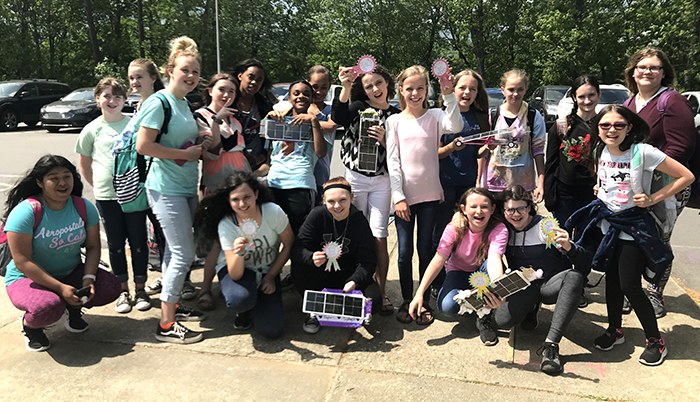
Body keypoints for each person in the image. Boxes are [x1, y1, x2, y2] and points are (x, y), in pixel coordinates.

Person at [568, 105, 694, 366]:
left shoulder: (644, 152)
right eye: (605, 125)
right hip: (608, 225)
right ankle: (615, 330)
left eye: (618, 125)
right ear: (598, 128)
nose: (611, 130)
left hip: (634, 227)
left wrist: (652, 199)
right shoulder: (601, 150)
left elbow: (686, 176)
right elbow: (609, 182)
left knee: (630, 286)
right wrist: (600, 188)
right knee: (611, 282)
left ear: (629, 128)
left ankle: (655, 341)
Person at [135, 36, 212, 344]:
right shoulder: (159, 102)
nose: (191, 76)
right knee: (184, 253)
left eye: (195, 71)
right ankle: (166, 324)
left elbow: (177, 141)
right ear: (170, 70)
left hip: (185, 187)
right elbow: (144, 146)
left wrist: (199, 143)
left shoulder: (183, 103)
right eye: (185, 70)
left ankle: (174, 304)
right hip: (165, 188)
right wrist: (186, 154)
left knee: (173, 252)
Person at [3, 155, 121, 351]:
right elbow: (22, 261)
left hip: (69, 271)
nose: (62, 183)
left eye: (67, 176)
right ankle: (30, 326)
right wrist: (60, 287)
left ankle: (73, 309)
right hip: (26, 277)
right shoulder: (25, 212)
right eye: (54, 178)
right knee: (47, 307)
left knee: (110, 287)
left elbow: (93, 247)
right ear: (40, 182)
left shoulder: (83, 207)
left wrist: (88, 279)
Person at [623, 47, 697, 318]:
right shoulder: (631, 103)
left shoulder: (672, 101)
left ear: (663, 73)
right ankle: (632, 290)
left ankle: (654, 292)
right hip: (636, 183)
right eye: (641, 67)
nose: (647, 71)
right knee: (634, 236)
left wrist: (650, 175)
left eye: (654, 67)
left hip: (667, 185)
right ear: (633, 71)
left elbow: (681, 148)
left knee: (659, 238)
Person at [386, 65, 463, 325]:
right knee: (404, 251)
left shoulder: (435, 115)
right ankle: (407, 299)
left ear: (427, 90)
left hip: (430, 195)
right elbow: (393, 162)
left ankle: (423, 299)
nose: (415, 93)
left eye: (420, 88)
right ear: (401, 90)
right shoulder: (393, 121)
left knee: (426, 248)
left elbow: (456, 123)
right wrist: (398, 197)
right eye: (410, 88)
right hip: (404, 199)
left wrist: (449, 92)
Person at [491, 185, 589, 375]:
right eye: (510, 209)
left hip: (550, 285)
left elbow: (584, 263)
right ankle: (531, 308)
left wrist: (570, 246)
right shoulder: (503, 230)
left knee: (574, 277)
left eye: (522, 208)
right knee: (502, 321)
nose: (516, 214)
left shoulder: (545, 226)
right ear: (503, 211)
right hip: (525, 285)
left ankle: (551, 345)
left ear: (530, 207)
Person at [75, 77, 152, 314]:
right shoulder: (91, 130)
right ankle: (123, 291)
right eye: (107, 95)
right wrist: (100, 186)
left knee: (138, 243)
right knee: (116, 245)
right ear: (97, 98)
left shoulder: (135, 125)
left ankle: (140, 289)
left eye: (118, 96)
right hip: (107, 198)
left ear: (125, 100)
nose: (112, 100)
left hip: (134, 196)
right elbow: (85, 165)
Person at [332, 64, 399, 315]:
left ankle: (381, 292)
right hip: (356, 178)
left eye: (379, 83)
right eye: (369, 86)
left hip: (382, 180)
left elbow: (400, 153)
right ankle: (352, 284)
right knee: (353, 232)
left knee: (380, 237)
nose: (375, 89)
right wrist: (346, 86)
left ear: (387, 84)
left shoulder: (395, 115)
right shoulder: (358, 108)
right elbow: (337, 118)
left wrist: (386, 141)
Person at [193, 172, 293, 338]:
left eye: (247, 197)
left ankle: (257, 301)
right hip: (239, 272)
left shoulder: (273, 212)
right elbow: (235, 274)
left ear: (256, 194)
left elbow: (289, 245)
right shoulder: (226, 225)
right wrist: (239, 253)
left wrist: (271, 276)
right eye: (235, 199)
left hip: (267, 270)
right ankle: (244, 310)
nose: (242, 204)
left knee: (271, 331)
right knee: (239, 299)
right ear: (228, 200)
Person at [407, 188, 507, 343]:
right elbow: (438, 260)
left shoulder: (499, 229)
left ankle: (484, 315)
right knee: (447, 306)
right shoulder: (454, 228)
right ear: (463, 209)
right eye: (473, 206)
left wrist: (500, 291)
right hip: (459, 271)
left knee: (490, 267)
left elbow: (494, 259)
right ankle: (475, 300)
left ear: (492, 209)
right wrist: (419, 293)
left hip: (484, 272)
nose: (479, 211)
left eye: (484, 207)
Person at [290, 177, 381, 334]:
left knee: (375, 302)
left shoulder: (360, 222)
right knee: (299, 265)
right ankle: (314, 310)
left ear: (351, 198)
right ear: (324, 201)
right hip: (319, 273)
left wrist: (355, 280)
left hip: (347, 276)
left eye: (343, 200)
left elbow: (368, 261)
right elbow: (297, 248)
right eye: (331, 201)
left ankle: (329, 304)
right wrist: (310, 257)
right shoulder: (316, 215)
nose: (337, 206)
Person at [193, 73, 252, 311]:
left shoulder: (235, 120)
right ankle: (206, 288)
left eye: (232, 91)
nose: (227, 95)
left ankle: (239, 281)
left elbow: (241, 150)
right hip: (217, 185)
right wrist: (216, 120)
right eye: (222, 90)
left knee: (243, 236)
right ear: (210, 90)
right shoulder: (201, 116)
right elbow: (214, 150)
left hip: (241, 184)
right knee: (215, 239)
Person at [432, 69, 491, 293]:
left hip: (468, 186)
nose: (467, 92)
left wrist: (489, 147)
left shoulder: (479, 117)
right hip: (443, 184)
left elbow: (477, 152)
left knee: (465, 233)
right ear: (452, 89)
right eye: (462, 87)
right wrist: (450, 147)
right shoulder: (439, 115)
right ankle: (437, 282)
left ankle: (459, 276)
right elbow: (433, 153)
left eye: (472, 88)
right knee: (441, 233)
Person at [265, 80, 327, 236]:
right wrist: (269, 117)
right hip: (274, 183)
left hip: (301, 184)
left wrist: (313, 121)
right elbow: (269, 159)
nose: (301, 96)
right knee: (271, 233)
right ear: (289, 98)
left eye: (306, 94)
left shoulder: (315, 123)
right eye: (296, 93)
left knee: (298, 233)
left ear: (312, 99)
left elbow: (321, 153)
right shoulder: (277, 122)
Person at [480, 69, 546, 202]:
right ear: (503, 90)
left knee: (520, 220)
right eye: (511, 89)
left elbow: (538, 151)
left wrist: (541, 184)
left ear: (526, 90)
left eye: (520, 89)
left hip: (523, 184)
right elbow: (481, 152)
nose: (515, 94)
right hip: (494, 183)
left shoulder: (533, 116)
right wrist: (479, 182)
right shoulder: (492, 115)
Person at [544, 75, 599, 224]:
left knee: (589, 242)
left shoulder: (605, 125)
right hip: (565, 195)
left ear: (599, 94)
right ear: (574, 97)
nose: (587, 101)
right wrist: (549, 194)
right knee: (562, 240)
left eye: (591, 95)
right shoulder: (562, 126)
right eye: (582, 96)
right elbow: (551, 163)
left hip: (593, 194)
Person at [233, 59, 276, 176]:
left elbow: (271, 139)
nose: (254, 82)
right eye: (250, 77)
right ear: (240, 76)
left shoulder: (265, 106)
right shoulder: (228, 101)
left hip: (256, 168)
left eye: (259, 80)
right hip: (229, 166)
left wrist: (261, 157)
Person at [307, 65, 339, 203]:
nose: (318, 91)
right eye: (314, 87)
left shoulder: (331, 110)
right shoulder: (300, 108)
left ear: (329, 87)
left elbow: (331, 126)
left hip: (321, 173)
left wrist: (308, 121)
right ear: (307, 85)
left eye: (324, 87)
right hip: (300, 174)